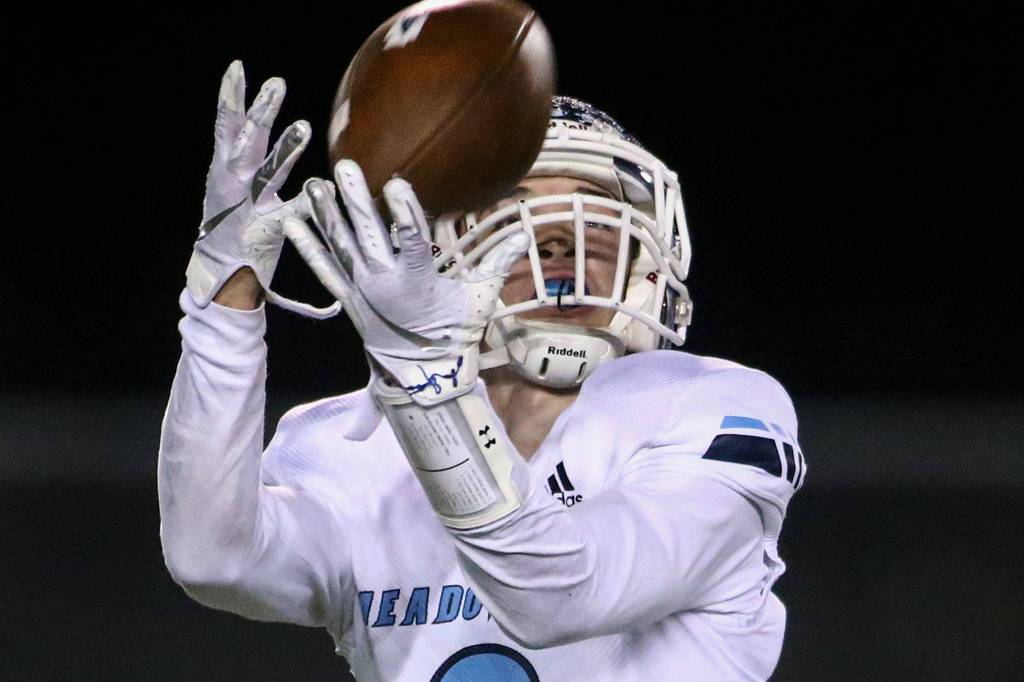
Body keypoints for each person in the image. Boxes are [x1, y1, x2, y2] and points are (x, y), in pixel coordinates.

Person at [159, 60, 807, 681]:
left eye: (593, 217)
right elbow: (212, 555)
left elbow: (557, 595)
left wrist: (427, 392)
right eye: (517, 214)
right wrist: (223, 299)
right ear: (439, 249)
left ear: (645, 262)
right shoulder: (352, 442)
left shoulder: (709, 408)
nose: (558, 244)